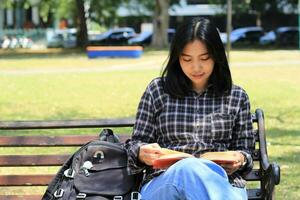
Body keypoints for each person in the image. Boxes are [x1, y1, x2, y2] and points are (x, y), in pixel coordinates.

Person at [125, 17, 255, 200]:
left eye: (204, 58)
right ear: (177, 58)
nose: (196, 67)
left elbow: (246, 151)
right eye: (186, 59)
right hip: (165, 182)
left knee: (194, 171)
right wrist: (141, 152)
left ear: (217, 56)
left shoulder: (236, 96)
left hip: (223, 183)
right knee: (187, 168)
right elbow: (135, 145)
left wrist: (240, 158)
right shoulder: (157, 91)